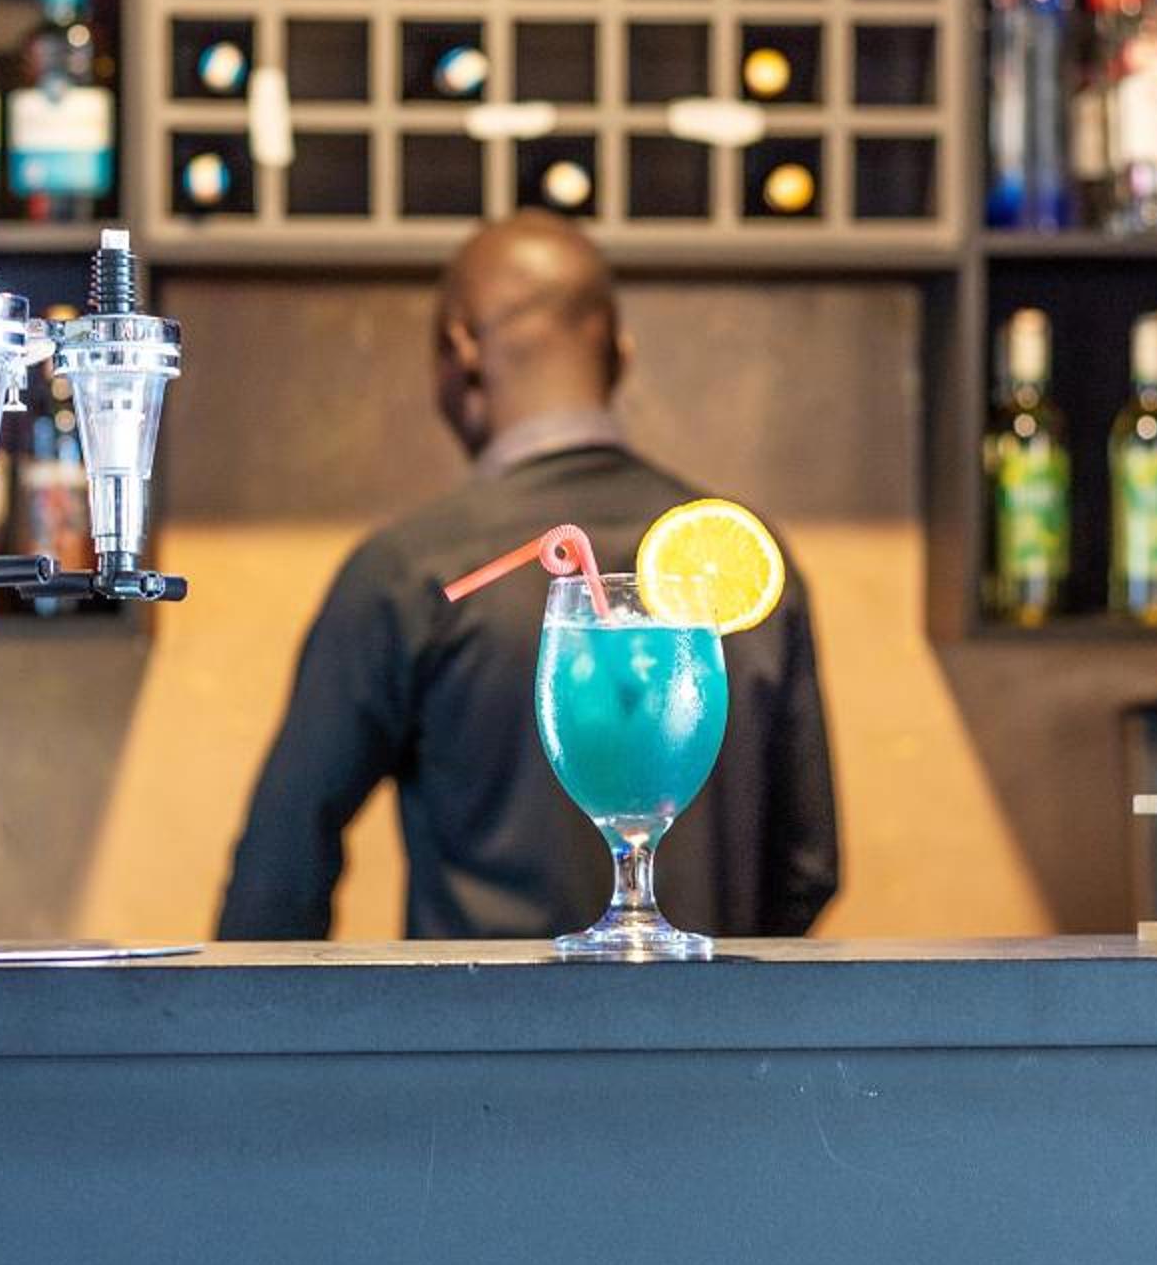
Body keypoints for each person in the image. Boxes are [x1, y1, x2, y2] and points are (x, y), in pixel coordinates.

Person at [217, 213, 839, 941]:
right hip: (712, 1015)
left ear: (460, 349)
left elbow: (278, 877)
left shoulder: (410, 570)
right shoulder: (736, 565)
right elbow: (807, 868)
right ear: (621, 358)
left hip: (481, 1018)